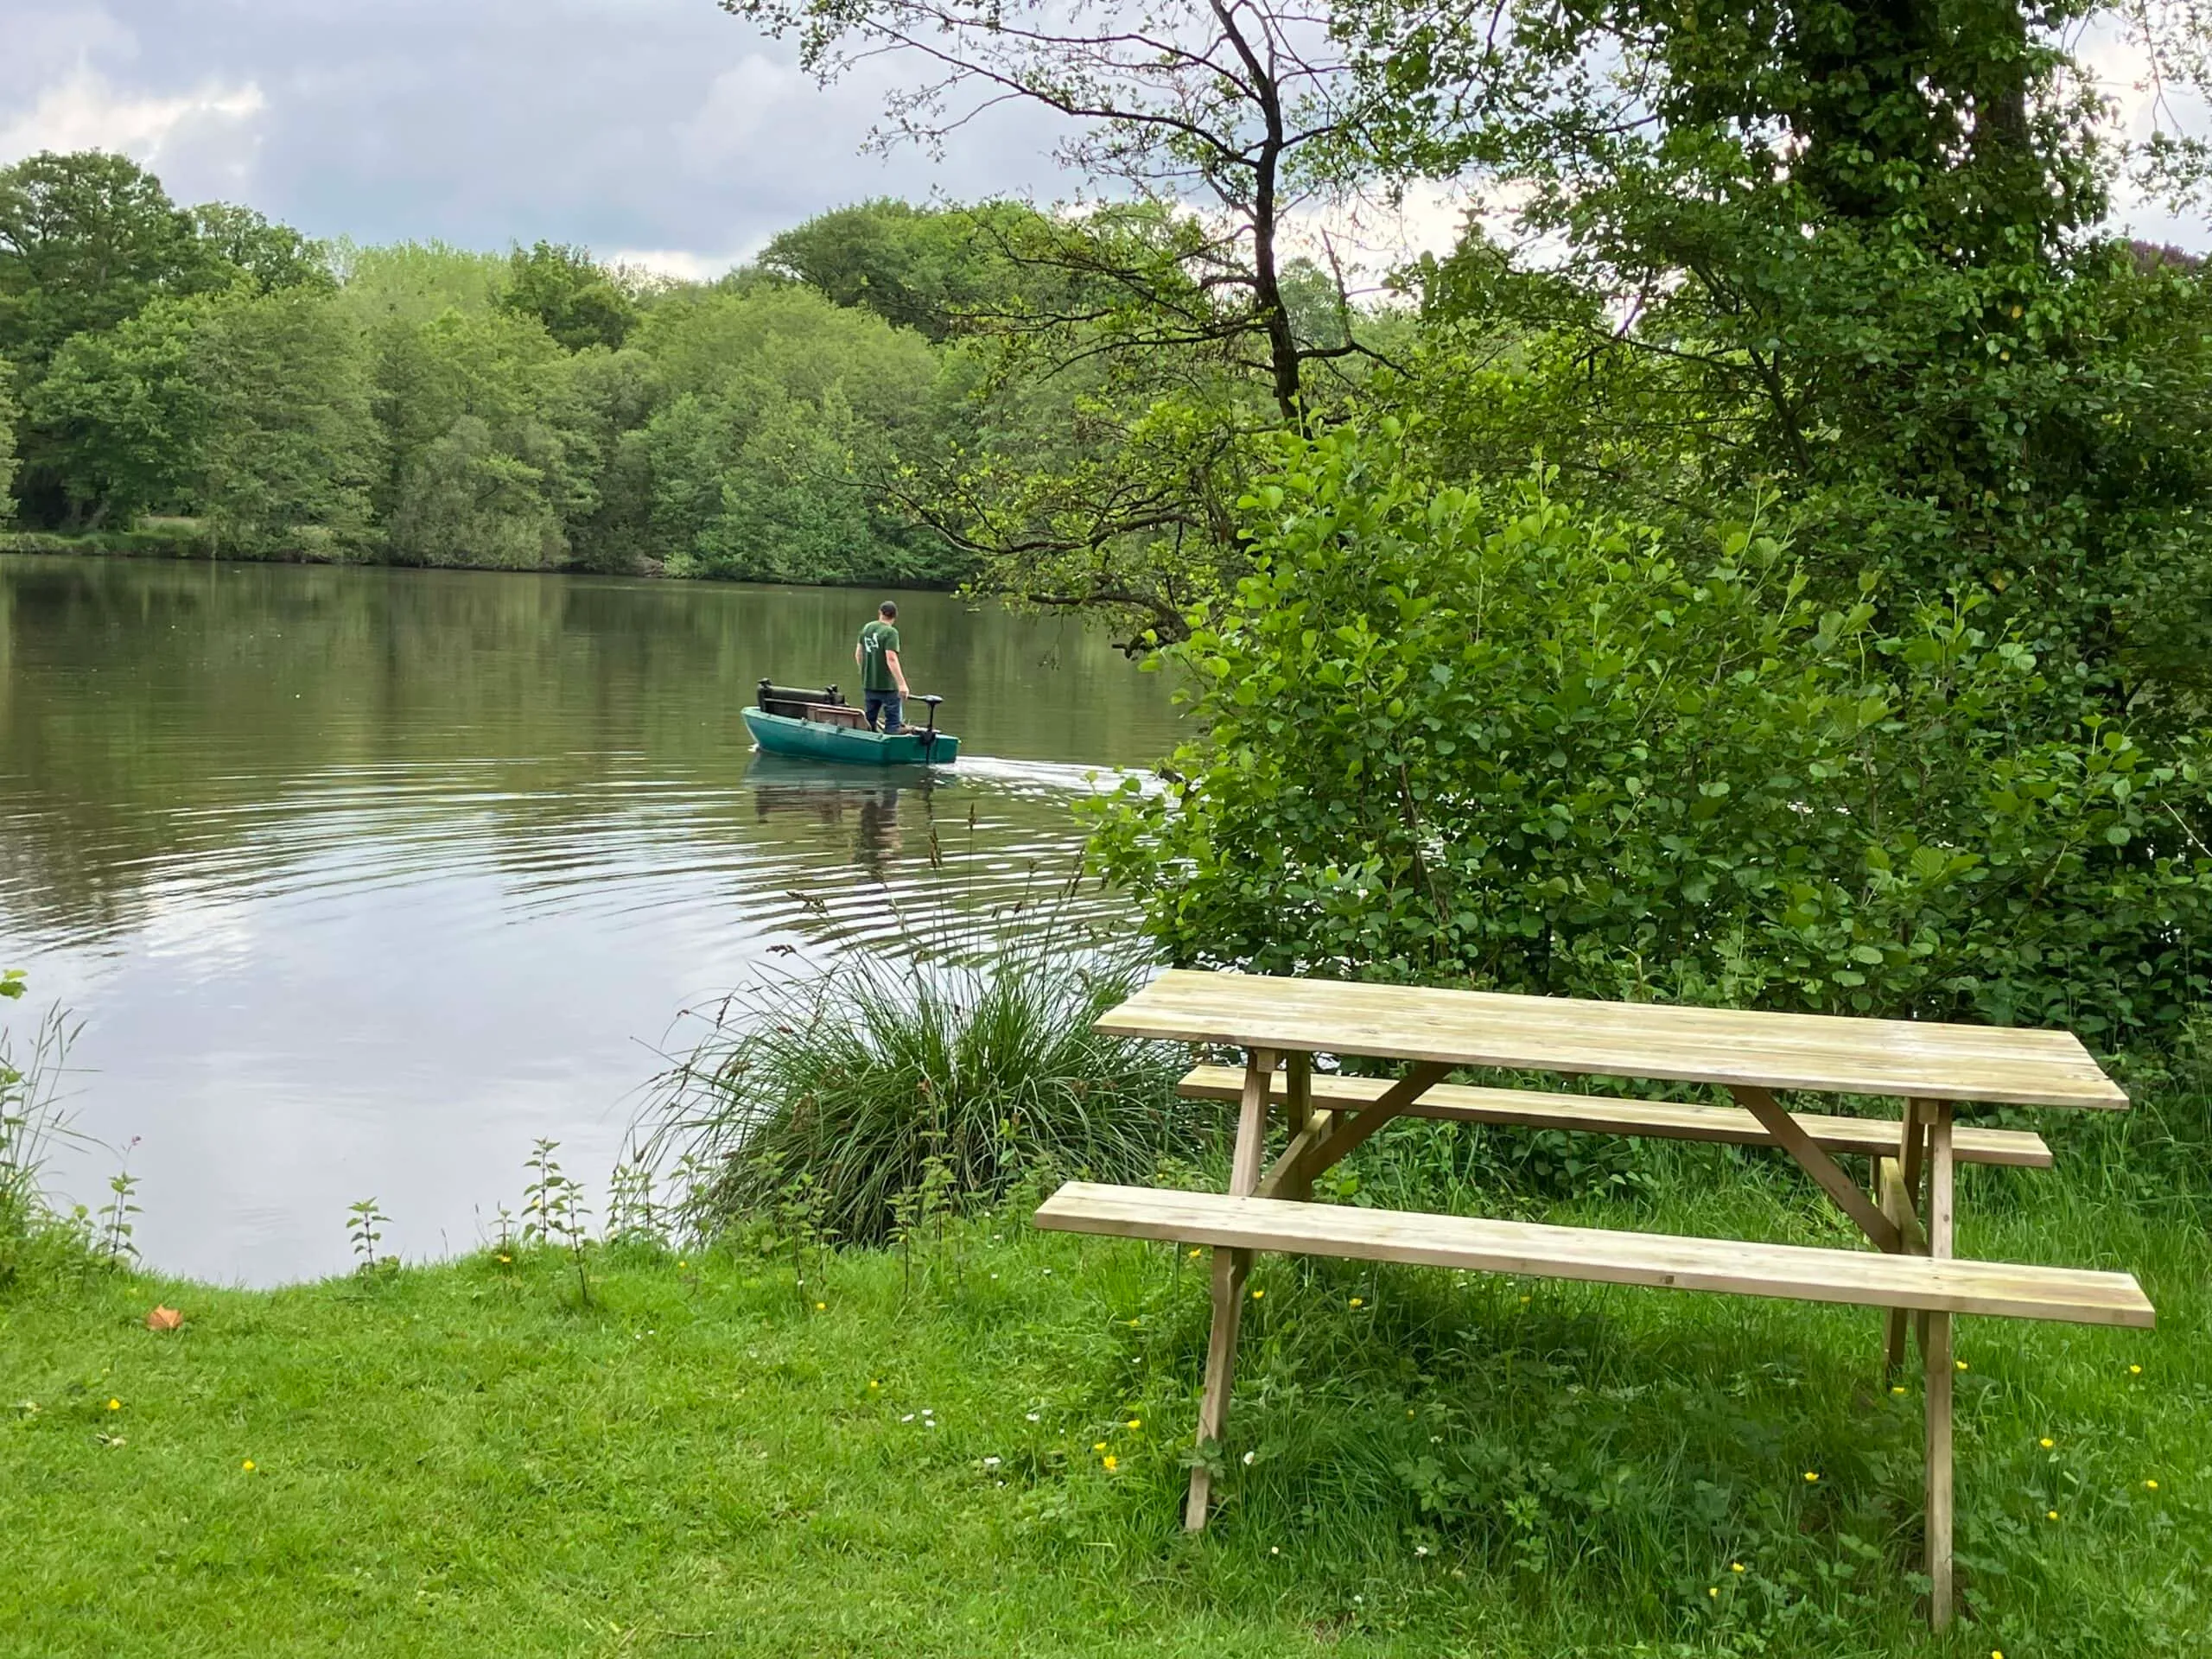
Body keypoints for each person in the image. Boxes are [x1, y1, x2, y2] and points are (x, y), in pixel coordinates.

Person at [855, 600, 910, 732]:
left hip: (869, 684)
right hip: (888, 686)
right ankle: (891, 747)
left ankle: (869, 745)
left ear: (880, 612)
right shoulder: (891, 633)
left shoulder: (867, 628)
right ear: (895, 616)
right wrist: (902, 684)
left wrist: (864, 672)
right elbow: (891, 658)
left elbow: (858, 654)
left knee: (869, 721)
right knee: (893, 723)